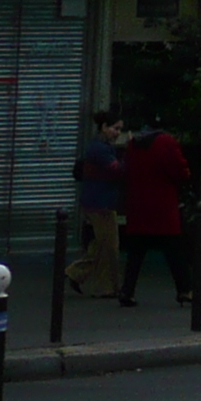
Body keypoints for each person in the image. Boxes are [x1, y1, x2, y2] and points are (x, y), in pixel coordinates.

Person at [115, 119, 195, 309]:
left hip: (138, 204)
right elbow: (179, 170)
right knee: (174, 251)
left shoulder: (133, 144)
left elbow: (127, 171)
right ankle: (185, 290)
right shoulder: (165, 142)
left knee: (135, 254)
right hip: (163, 205)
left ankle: (127, 291)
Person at [67, 112, 124, 299]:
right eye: (115, 128)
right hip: (101, 203)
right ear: (104, 126)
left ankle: (76, 273)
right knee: (109, 246)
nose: (117, 133)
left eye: (120, 130)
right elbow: (116, 170)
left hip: (99, 201)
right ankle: (105, 287)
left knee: (101, 243)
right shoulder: (100, 149)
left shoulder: (99, 147)